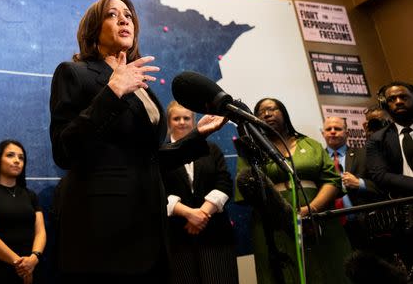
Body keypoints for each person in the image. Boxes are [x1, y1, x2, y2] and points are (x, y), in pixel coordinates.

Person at [49, 0, 226, 283]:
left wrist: (196, 136)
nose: (124, 19)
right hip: (104, 228)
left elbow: (150, 158)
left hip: (151, 226)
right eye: (112, 14)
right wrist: (112, 91)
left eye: (129, 16)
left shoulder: (141, 85)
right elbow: (64, 150)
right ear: (93, 30)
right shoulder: (74, 73)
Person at [235, 98, 351, 284]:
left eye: (272, 109)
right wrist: (286, 215)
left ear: (284, 113)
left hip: (319, 219)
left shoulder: (310, 144)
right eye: (260, 112)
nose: (266, 114)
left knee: (329, 270)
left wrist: (310, 209)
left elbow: (332, 180)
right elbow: (248, 189)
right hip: (274, 226)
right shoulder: (251, 151)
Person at [162, 101, 238, 284]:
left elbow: (224, 184)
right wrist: (189, 214)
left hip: (215, 235)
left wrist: (202, 214)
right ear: (169, 122)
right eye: (176, 118)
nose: (181, 122)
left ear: (194, 121)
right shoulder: (161, 153)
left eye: (186, 118)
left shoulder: (211, 149)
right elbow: (158, 190)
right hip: (178, 237)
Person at [0, 140, 46, 284]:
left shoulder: (30, 195)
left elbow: (40, 232)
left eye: (21, 157)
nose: (17, 160)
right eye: (10, 155)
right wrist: (20, 264)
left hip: (32, 268)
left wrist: (34, 258)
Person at [322, 116, 383, 249]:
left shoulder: (365, 154)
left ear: (347, 133)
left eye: (337, 128)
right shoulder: (317, 160)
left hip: (365, 224)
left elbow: (382, 186)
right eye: (328, 129)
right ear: (323, 133)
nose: (332, 131)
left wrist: (360, 183)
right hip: (332, 227)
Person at [366, 81, 413, 197]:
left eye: (403, 97)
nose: (398, 102)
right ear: (385, 105)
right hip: (405, 203)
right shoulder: (377, 140)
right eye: (392, 99)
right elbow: (380, 175)